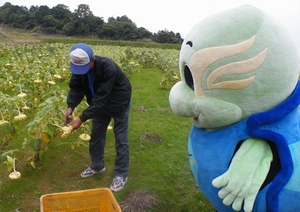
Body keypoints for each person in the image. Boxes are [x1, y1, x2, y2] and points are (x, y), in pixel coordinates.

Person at [64, 43, 131, 192]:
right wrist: (70, 106)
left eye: (85, 67)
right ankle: (97, 166)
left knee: (120, 138)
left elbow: (102, 98)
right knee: (96, 136)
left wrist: (81, 118)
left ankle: (121, 174)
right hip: (98, 104)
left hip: (118, 102)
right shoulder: (79, 68)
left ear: (93, 60)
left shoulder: (109, 68)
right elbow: (76, 88)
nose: (81, 72)